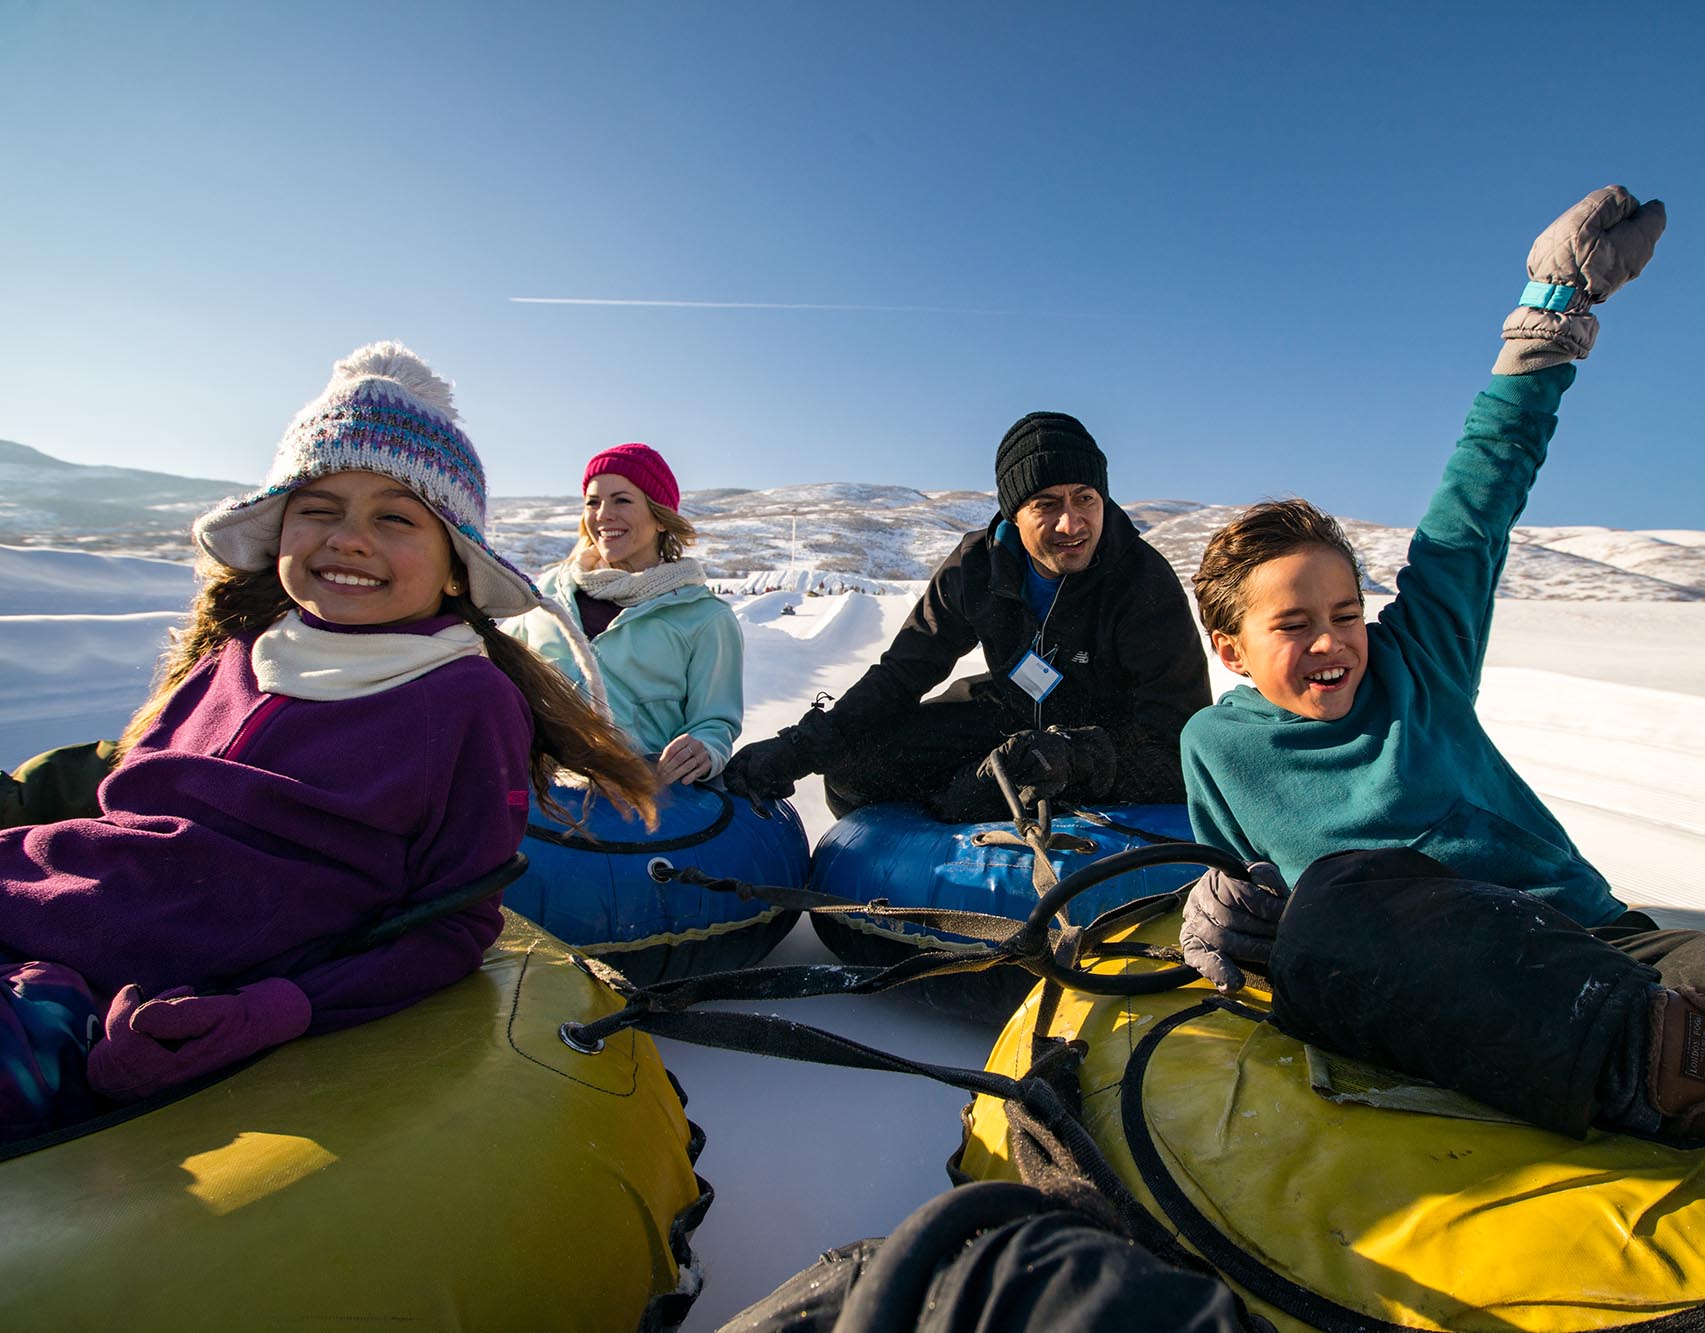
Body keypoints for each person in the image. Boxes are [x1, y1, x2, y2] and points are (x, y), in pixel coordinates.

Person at [1175, 186, 1705, 1199]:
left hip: (1606, 950)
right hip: (1435, 979)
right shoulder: (1216, 748)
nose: (1333, 642)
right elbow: (1231, 883)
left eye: (1343, 612)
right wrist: (1211, 908)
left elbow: (1473, 503)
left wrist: (1548, 310)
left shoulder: (1415, 657)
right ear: (1229, 648)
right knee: (1343, 894)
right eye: (1292, 625)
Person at [0, 342, 657, 1140]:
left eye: (394, 516)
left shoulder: (463, 699)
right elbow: (132, 802)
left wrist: (273, 1008)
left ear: (457, 567)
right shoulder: (241, 648)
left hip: (134, 988)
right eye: (319, 508)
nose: (348, 538)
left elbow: (453, 921)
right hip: (45, 906)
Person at [721, 413, 1211, 822]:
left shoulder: (1142, 582)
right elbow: (902, 673)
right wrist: (802, 746)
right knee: (854, 770)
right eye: (1046, 504)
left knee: (971, 798)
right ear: (1013, 514)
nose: (1071, 522)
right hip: (1008, 714)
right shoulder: (976, 565)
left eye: (1085, 498)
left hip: (1109, 741)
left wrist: (1072, 758)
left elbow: (1178, 740)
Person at [506, 442, 743, 786]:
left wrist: (705, 748)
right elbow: (493, 673)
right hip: (539, 803)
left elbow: (715, 722)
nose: (603, 514)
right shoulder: (547, 594)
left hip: (638, 808)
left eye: (622, 500)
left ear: (661, 519)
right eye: (593, 502)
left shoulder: (705, 617)